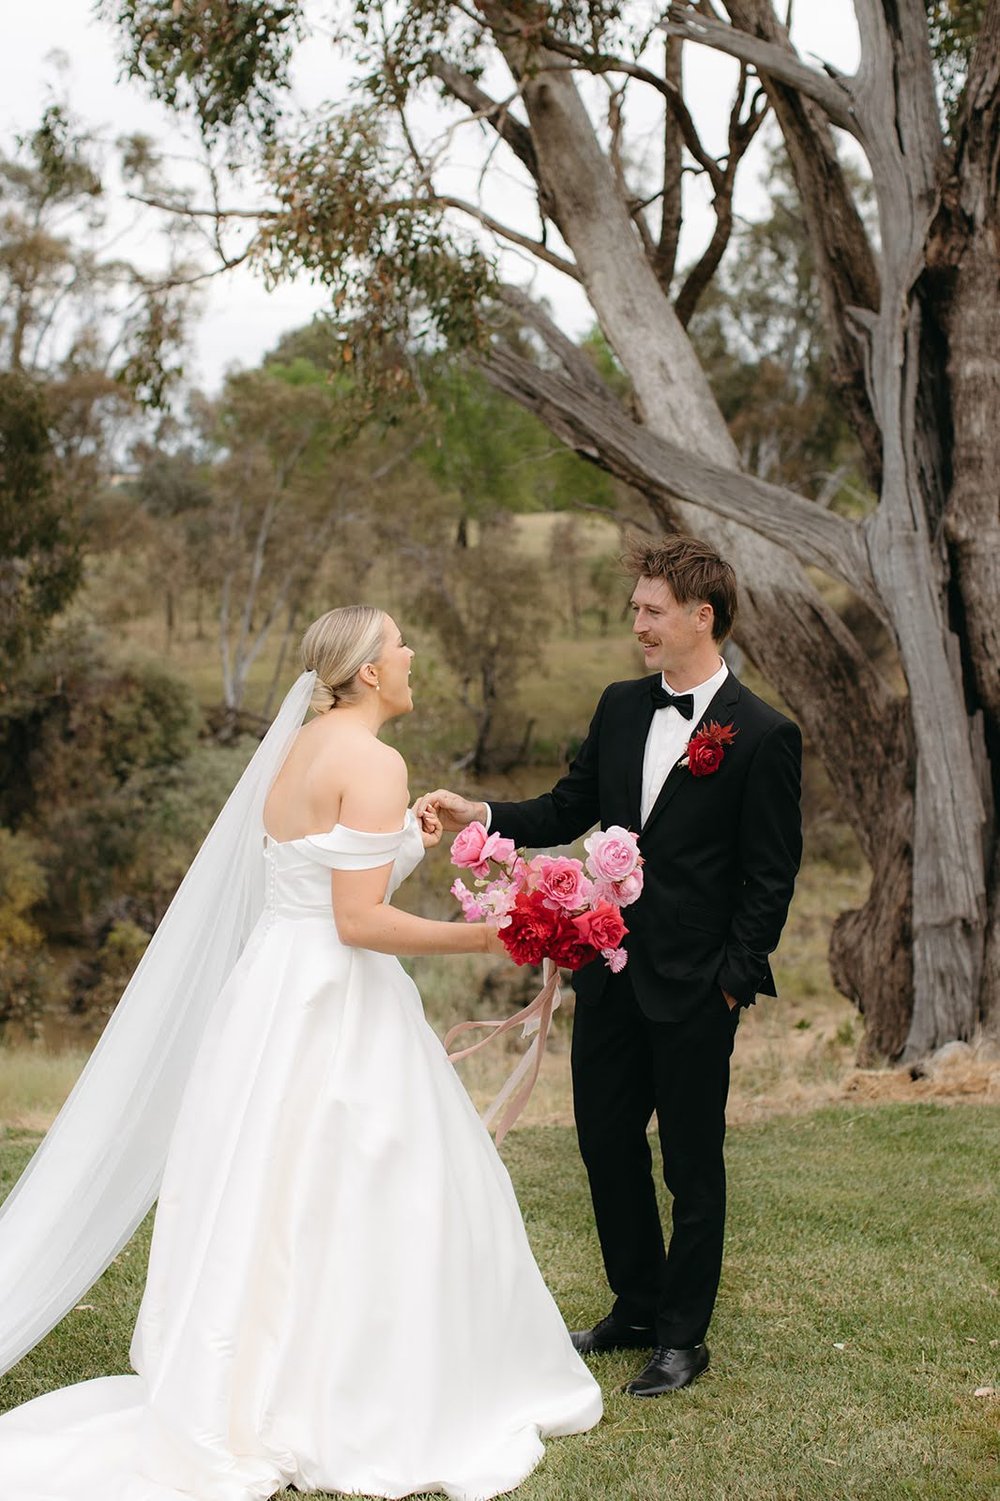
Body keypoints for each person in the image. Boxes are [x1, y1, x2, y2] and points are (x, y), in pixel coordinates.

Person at [0, 605, 601, 1500]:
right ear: (365, 672)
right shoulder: (376, 760)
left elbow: (315, 879)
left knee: (268, 1185)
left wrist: (401, 844)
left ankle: (256, 1378)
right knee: (372, 1177)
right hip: (337, 1000)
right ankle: (355, 1390)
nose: (410, 654)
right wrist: (485, 939)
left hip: (270, 990)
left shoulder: (298, 749)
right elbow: (356, 922)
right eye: (399, 645)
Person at [418, 535, 802, 1398]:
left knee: (692, 1165)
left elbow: (769, 875)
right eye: (636, 608)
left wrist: (733, 978)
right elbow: (567, 805)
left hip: (699, 986)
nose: (638, 623)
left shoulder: (765, 734)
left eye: (651, 609)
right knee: (604, 1144)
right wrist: (481, 809)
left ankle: (682, 1336)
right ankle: (635, 1305)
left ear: (702, 617)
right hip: (607, 970)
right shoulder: (622, 706)